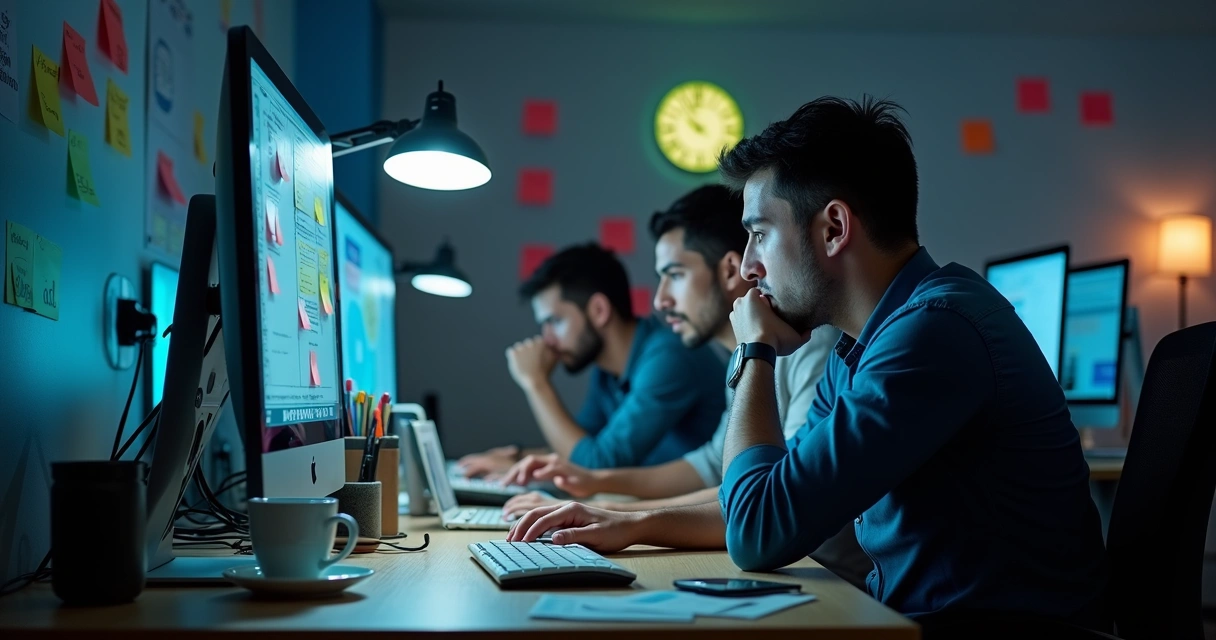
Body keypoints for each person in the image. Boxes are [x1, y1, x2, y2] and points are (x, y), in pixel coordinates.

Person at [508, 97, 1109, 633]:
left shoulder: (933, 333)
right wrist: (627, 523)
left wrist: (754, 352)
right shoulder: (862, 345)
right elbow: (767, 494)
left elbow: (758, 531)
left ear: (834, 228)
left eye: (759, 235)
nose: (746, 267)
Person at [499, 185, 872, 587]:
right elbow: (713, 465)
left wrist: (621, 513)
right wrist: (601, 494)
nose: (659, 301)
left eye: (674, 276)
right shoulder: (745, 356)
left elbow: (770, 499)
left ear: (729, 271)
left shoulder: (809, 348)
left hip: (827, 582)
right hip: (787, 570)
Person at [459, 243, 725, 477]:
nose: (546, 339)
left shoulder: (669, 357)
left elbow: (596, 465)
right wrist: (517, 458)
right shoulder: (607, 372)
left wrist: (536, 383)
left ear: (599, 310)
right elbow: (582, 445)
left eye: (555, 321)